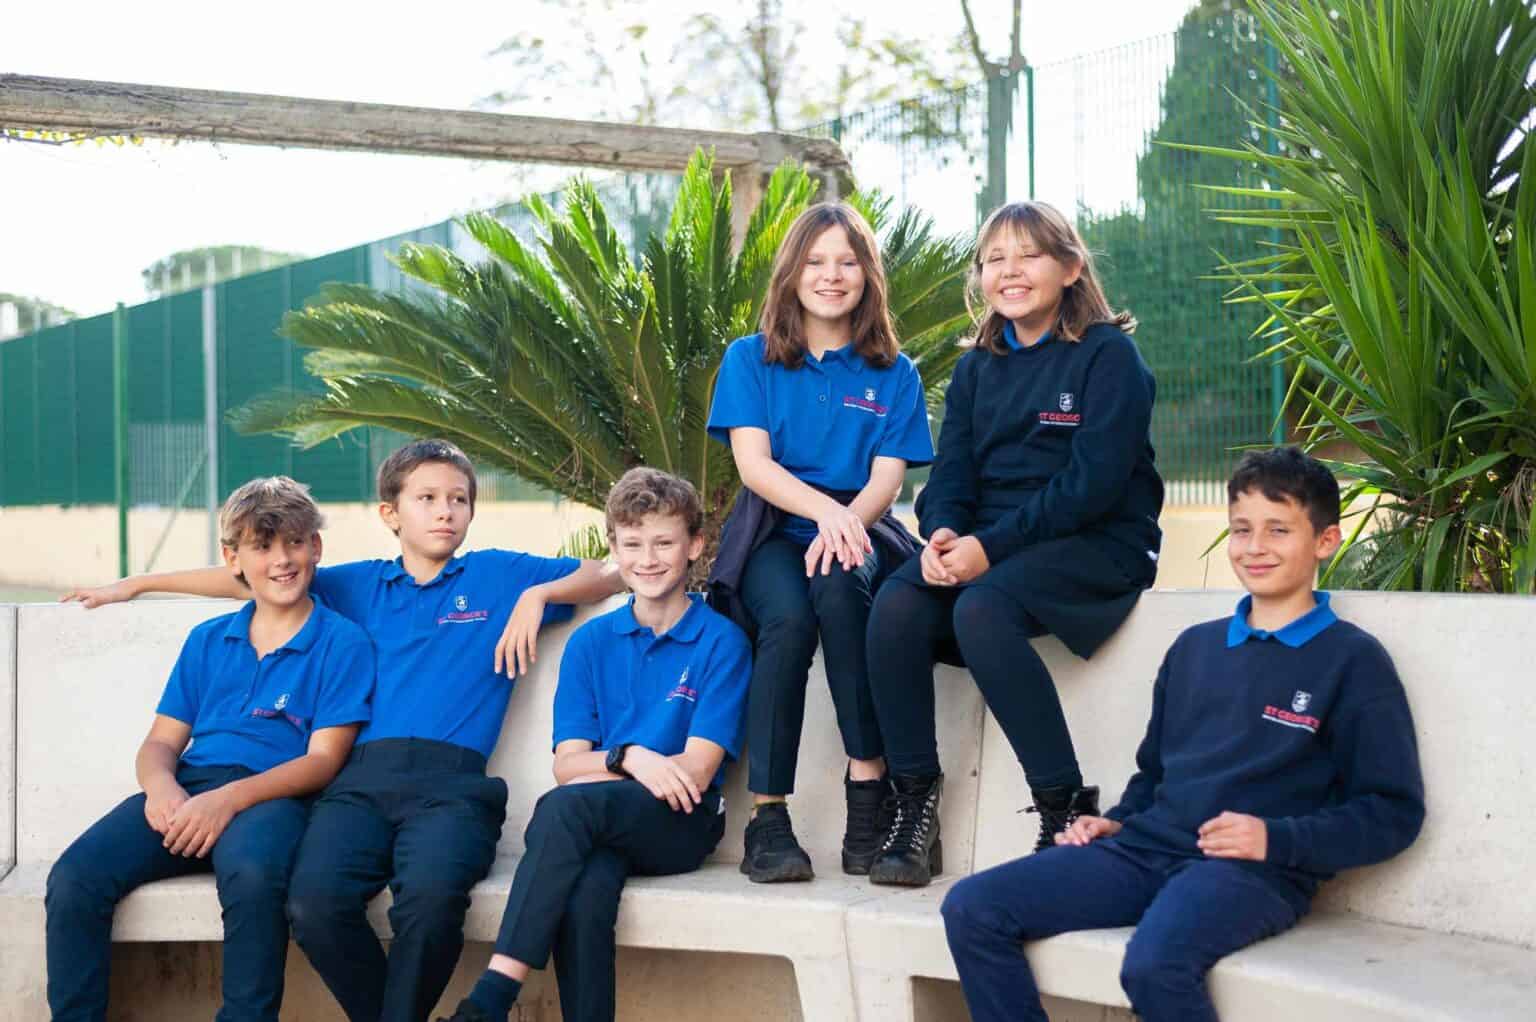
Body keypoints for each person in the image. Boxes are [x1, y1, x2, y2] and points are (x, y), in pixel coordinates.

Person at [62, 439, 624, 1022]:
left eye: (459, 499)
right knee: (311, 904)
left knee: (430, 905)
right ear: (390, 514)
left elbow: (611, 572)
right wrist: (138, 584)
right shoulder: (355, 585)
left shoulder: (501, 575)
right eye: (426, 498)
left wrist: (539, 593)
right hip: (357, 786)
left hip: (451, 785)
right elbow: (253, 575)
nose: (444, 511)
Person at [941, 447, 1427, 1022]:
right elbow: (1156, 773)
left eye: (1278, 530)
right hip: (1145, 850)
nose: (1255, 547)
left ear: (1325, 541)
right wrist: (1118, 819)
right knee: (973, 907)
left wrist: (1276, 839)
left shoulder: (1353, 661)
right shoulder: (1193, 647)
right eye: (1242, 530)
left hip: (1249, 872)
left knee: (1154, 963)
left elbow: (1394, 812)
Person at [865, 200, 1164, 886]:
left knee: (981, 610)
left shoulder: (1107, 356)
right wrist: (940, 531)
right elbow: (952, 474)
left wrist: (987, 550)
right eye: (994, 258)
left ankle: (1062, 807)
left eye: (1028, 254)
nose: (1010, 270)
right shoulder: (977, 368)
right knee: (895, 605)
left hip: (1097, 541)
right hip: (996, 544)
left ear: (1070, 266)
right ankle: (914, 807)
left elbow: (1092, 486)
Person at [46, 476, 376, 1022]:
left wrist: (227, 802)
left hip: (273, 797)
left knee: (253, 876)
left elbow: (322, 762)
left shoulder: (342, 642)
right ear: (234, 558)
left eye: (295, 542)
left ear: (316, 547)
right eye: (263, 546)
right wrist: (161, 789)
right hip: (190, 785)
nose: (282, 560)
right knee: (76, 877)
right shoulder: (207, 639)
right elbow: (160, 743)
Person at [439, 467, 750, 1022]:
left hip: (682, 822)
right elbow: (566, 764)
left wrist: (616, 768)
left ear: (695, 546)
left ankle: (490, 999)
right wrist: (631, 756)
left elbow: (694, 774)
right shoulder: (590, 643)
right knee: (586, 889)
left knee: (563, 810)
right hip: (601, 821)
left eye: (664, 543)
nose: (648, 559)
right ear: (613, 547)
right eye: (632, 544)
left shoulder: (721, 642)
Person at [705, 201, 933, 883]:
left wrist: (848, 525)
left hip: (862, 522)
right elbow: (754, 465)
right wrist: (823, 516)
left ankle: (870, 786)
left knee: (841, 593)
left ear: (867, 275)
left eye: (847, 261)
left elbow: (888, 480)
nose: (831, 276)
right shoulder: (751, 359)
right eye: (815, 262)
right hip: (777, 525)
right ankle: (767, 818)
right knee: (788, 617)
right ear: (792, 273)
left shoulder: (895, 372)